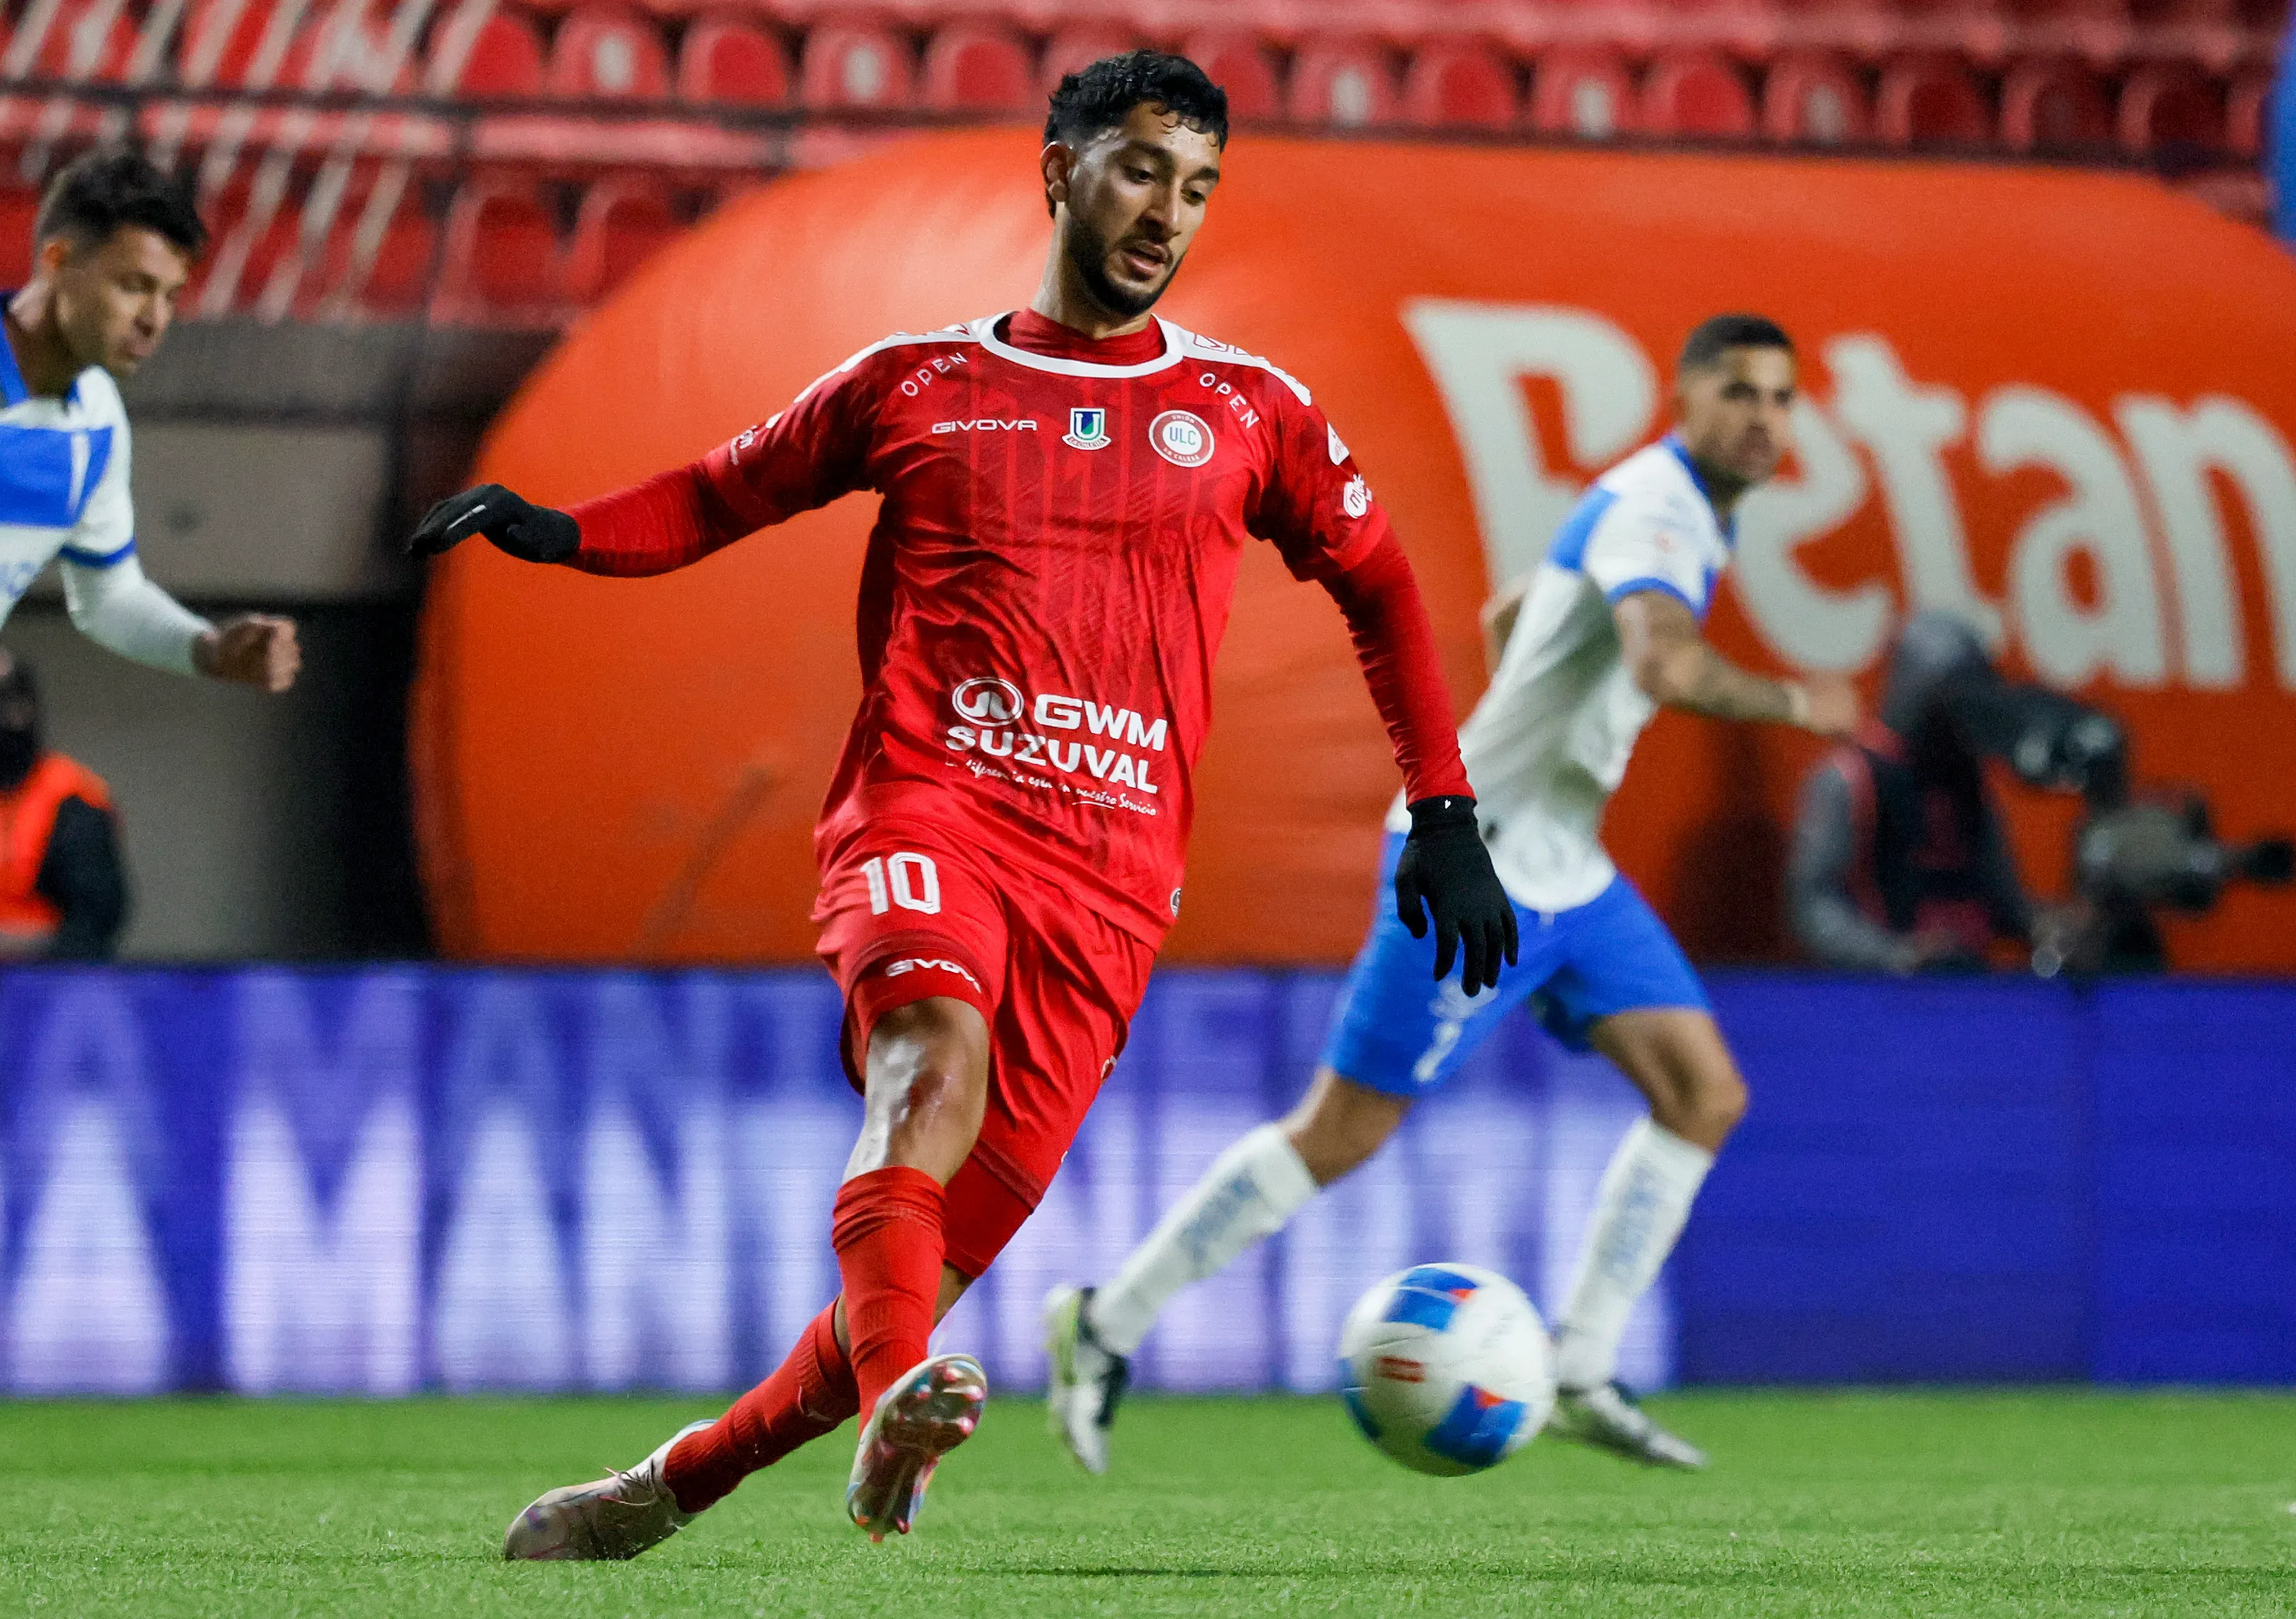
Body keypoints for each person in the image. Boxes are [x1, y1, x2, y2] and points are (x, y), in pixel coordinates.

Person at [409, 51, 1518, 1555]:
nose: (1165, 212)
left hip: (1113, 889)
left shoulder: (1247, 409)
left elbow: (1382, 586)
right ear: (1058, 170)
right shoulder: (915, 383)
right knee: (929, 1063)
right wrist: (558, 531)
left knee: (921, 1263)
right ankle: (896, 1430)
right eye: (1138, 170)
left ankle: (670, 1485)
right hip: (928, 814)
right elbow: (717, 493)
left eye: (1197, 187)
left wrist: (1444, 812)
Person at [1042, 313, 1860, 1477]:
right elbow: (1661, 662)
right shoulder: (1661, 510)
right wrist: (1794, 704)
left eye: (1780, 398)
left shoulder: (1659, 506)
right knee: (1342, 1133)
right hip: (1473, 866)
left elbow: (1511, 615)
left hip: (1568, 871)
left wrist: (1534, 695)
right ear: (1681, 401)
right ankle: (1104, 1324)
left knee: (1702, 1093)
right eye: (1737, 391)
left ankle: (1577, 1368)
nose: (1761, 418)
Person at [0, 149, 301, 1205]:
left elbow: (106, 598)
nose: (152, 315)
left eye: (168, 295)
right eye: (131, 284)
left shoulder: (95, 425)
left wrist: (207, 646)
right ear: (56, 260)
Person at [1787, 613, 2050, 975]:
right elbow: (1813, 903)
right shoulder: (1849, 779)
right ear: (1919, 691)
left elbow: (2000, 892)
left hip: (1974, 984)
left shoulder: (1968, 780)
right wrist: (1893, 954)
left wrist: (2042, 929)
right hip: (1883, 994)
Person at [0, 648, 129, 961]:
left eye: (6, 705)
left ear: (28, 709)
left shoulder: (69, 798)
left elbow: (94, 926)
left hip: (32, 995)